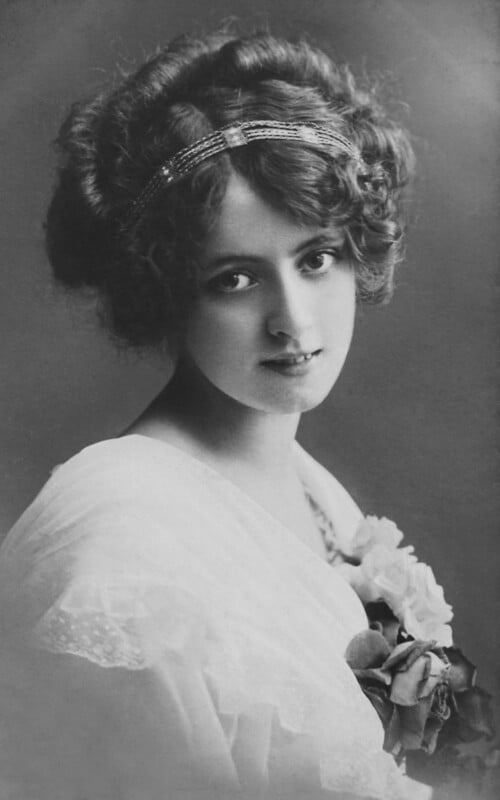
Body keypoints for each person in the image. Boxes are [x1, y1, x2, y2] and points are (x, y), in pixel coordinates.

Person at [0, 30, 431, 800]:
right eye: (235, 279)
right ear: (163, 288)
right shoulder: (119, 558)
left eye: (316, 258)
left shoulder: (312, 491)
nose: (294, 324)